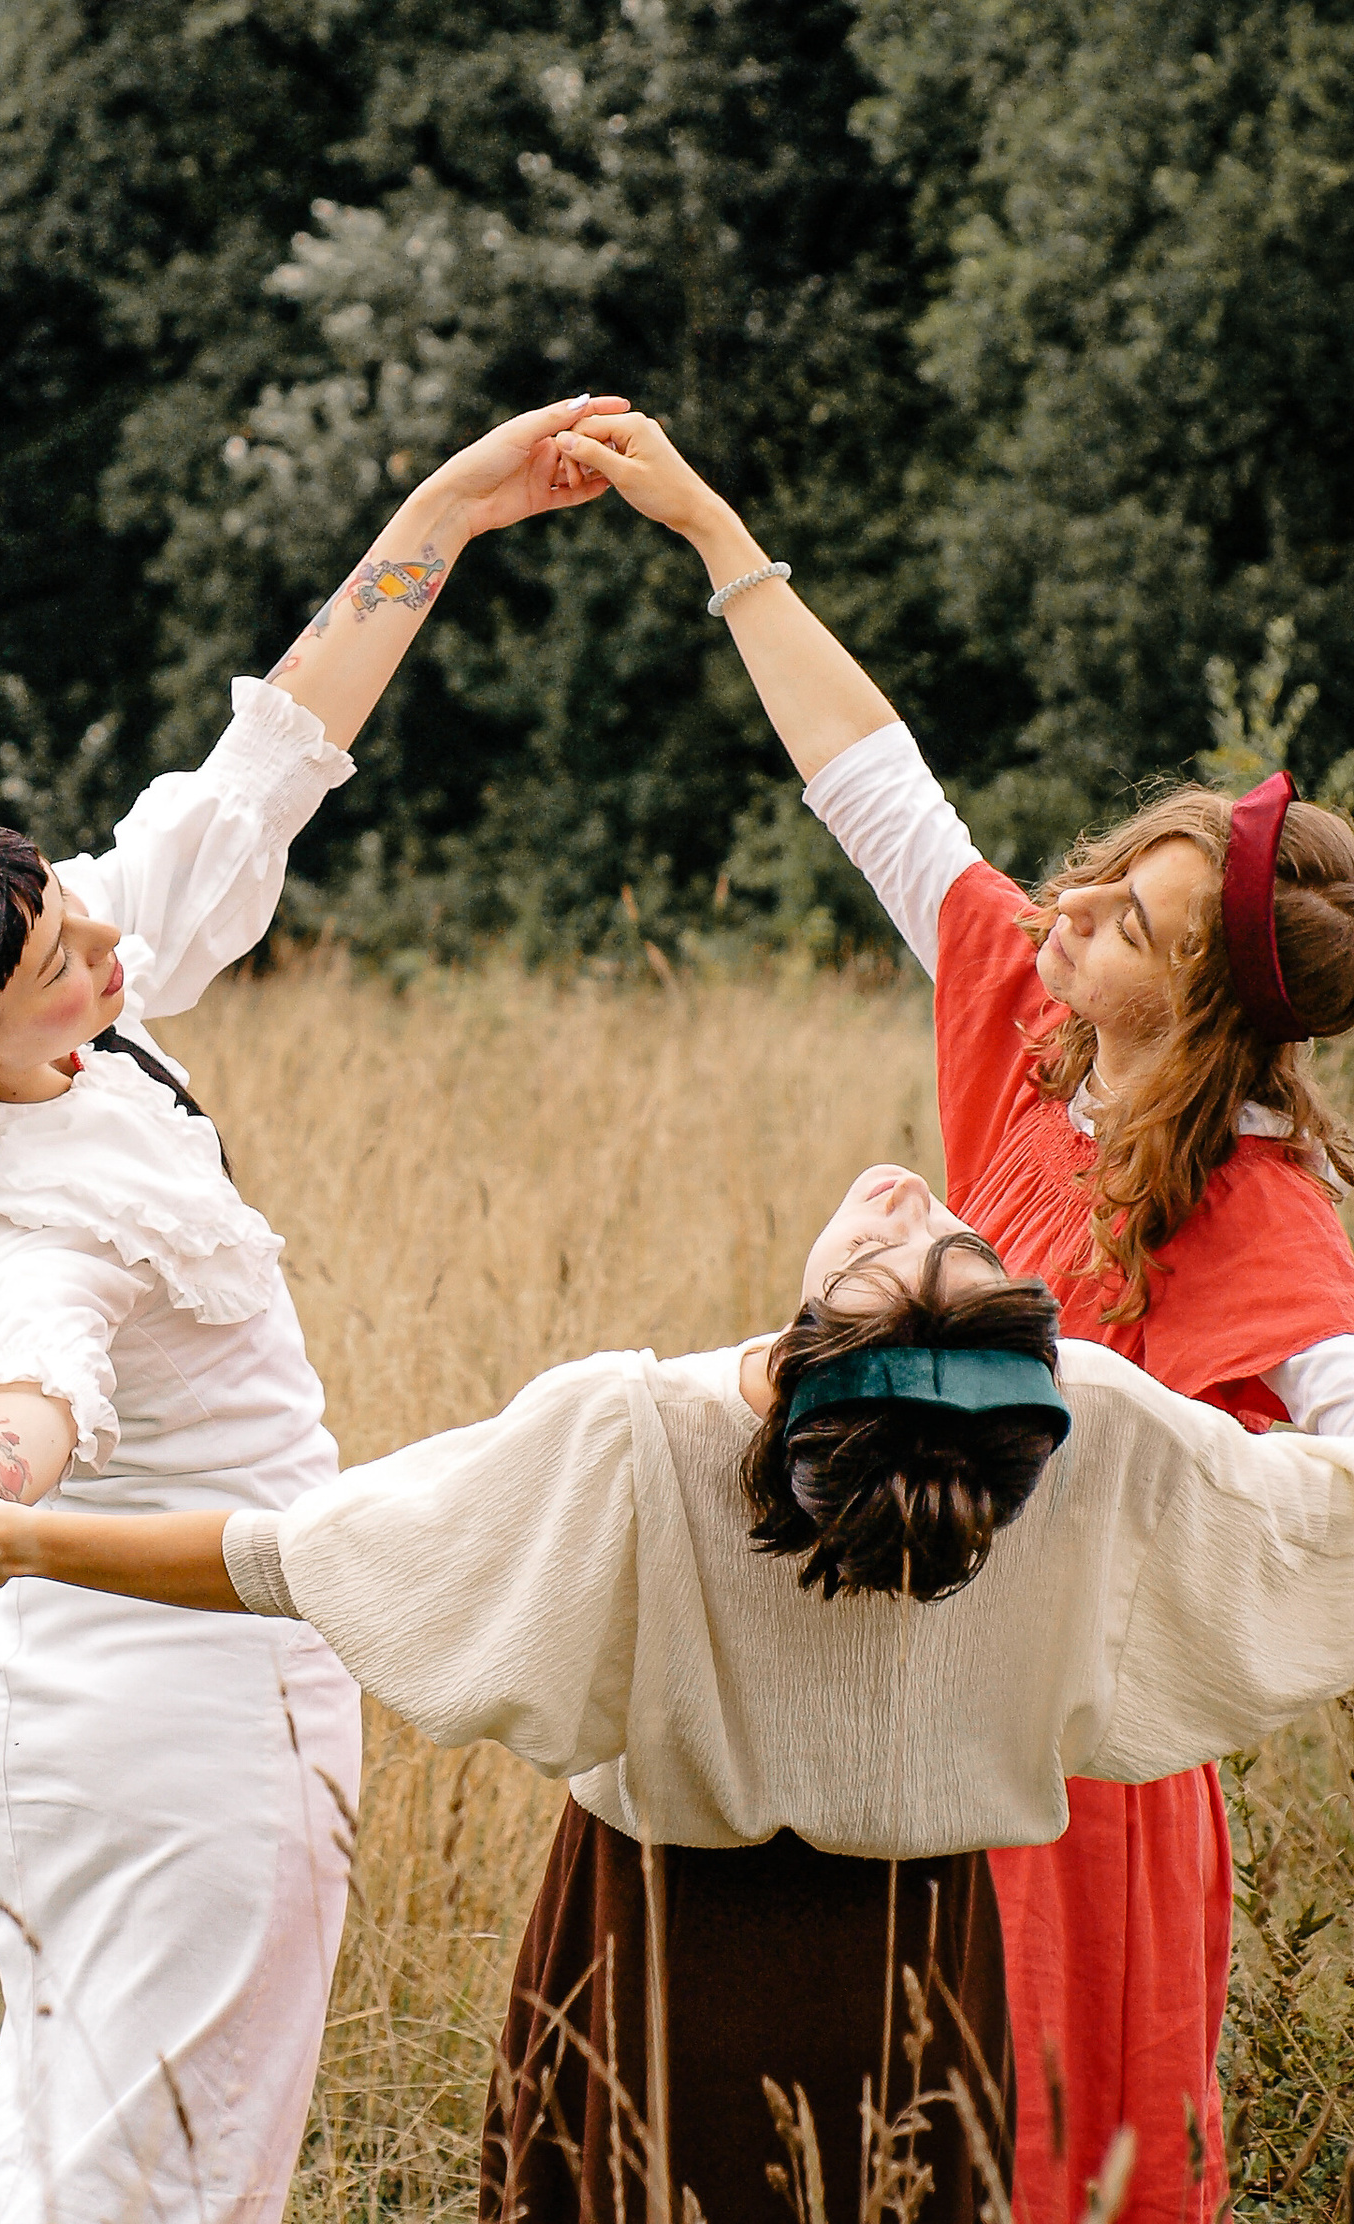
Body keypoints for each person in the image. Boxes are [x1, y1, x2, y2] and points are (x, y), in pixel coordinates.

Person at [0, 390, 629, 2224]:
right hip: (195, 1727)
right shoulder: (16, 1214)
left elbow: (267, 764)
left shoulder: (59, 1036)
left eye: (70, 903)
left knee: (77, 2153)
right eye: (63, 953)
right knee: (179, 2176)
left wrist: (454, 504)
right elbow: (32, 1374)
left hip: (83, 1718)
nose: (108, 945)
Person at [0, 1162, 1354, 2224]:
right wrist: (1320, 1320)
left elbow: (290, 1556)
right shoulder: (1086, 1433)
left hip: (654, 1946)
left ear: (791, 1366)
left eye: (913, 1249)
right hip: (926, 1967)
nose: (919, 1195)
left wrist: (22, 1537)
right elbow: (1334, 1516)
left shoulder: (644, 1430)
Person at [546, 408, 1354, 2224]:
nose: (1063, 911)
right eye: (1105, 872)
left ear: (1206, 1012)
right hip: (882, 1697)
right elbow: (874, 780)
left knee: (1044, 2154)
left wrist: (1154, 1489)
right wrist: (710, 529)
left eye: (1130, 923)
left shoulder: (1264, 1220)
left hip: (1072, 1776)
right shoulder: (1035, 1037)